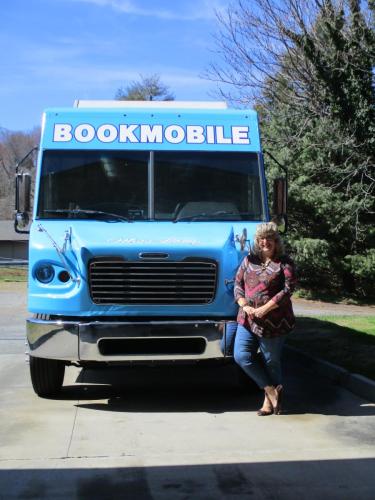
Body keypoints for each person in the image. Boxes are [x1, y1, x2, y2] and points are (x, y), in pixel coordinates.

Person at [233, 222, 296, 416]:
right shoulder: (248, 260)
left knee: (271, 362)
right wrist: (244, 304)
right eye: (261, 239)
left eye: (269, 238)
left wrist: (266, 308)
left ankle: (269, 403)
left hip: (275, 321)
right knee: (241, 356)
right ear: (257, 241)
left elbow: (288, 290)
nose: (265, 242)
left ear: (276, 241)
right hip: (247, 319)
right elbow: (237, 284)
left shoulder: (285, 262)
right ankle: (270, 390)